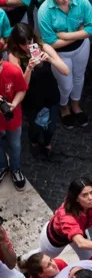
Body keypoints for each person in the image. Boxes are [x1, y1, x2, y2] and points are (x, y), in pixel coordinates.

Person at [37, 0, 92, 129]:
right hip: (59, 54)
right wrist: (80, 33)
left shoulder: (81, 0)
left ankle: (75, 104)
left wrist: (66, 35)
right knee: (65, 85)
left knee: (79, 77)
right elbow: (51, 43)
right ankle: (64, 107)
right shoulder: (44, 11)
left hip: (81, 47)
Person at [7, 23, 67, 161]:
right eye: (24, 44)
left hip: (50, 94)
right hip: (31, 99)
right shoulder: (15, 56)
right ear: (17, 44)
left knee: (51, 127)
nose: (29, 47)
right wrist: (28, 68)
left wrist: (50, 59)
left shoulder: (44, 47)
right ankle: (34, 142)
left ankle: (46, 144)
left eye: (30, 42)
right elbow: (21, 85)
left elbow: (65, 70)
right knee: (34, 126)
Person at [0, 59, 27, 190]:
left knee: (15, 145)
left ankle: (15, 169)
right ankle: (2, 166)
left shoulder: (13, 71)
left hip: (12, 115)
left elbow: (22, 90)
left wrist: (14, 104)